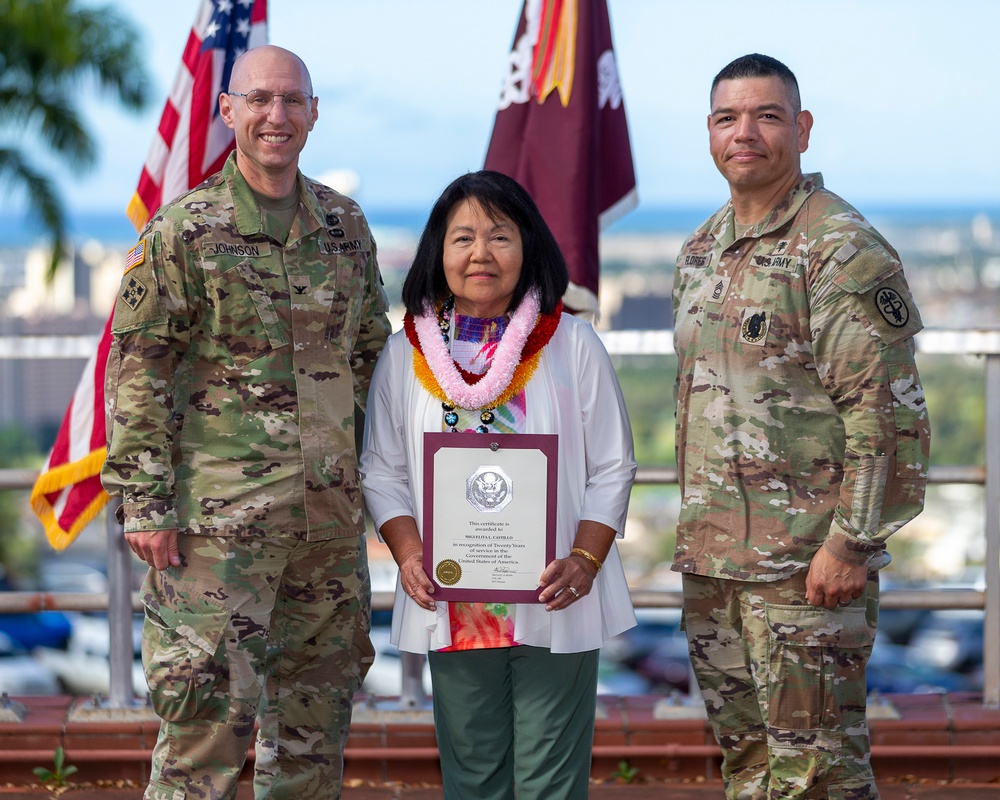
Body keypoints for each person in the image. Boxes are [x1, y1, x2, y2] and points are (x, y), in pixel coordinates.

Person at [102, 45, 390, 800]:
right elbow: (140, 368)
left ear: (314, 113)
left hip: (326, 530)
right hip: (213, 532)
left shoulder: (344, 227)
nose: (277, 115)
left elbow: (370, 359)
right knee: (204, 737)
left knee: (313, 738)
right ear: (227, 110)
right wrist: (147, 502)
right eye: (259, 100)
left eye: (293, 100)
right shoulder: (184, 231)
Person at [672, 54, 930, 800]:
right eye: (727, 118)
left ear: (803, 129)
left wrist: (852, 543)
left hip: (805, 573)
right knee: (749, 768)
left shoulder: (839, 247)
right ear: (710, 133)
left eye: (767, 116)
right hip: (715, 566)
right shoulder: (701, 250)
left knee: (818, 775)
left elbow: (887, 415)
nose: (744, 132)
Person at [360, 170, 637, 800]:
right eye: (462, 238)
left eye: (499, 236)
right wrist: (406, 554)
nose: (480, 253)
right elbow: (381, 469)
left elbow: (614, 465)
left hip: (555, 595)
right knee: (473, 775)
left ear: (529, 247)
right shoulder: (406, 355)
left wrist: (587, 560)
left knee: (549, 779)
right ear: (439, 251)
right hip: (452, 596)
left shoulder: (572, 343)